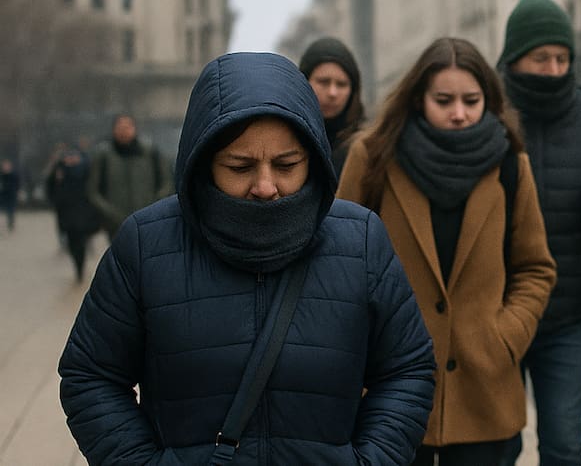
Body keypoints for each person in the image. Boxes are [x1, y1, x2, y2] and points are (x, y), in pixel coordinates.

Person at [59, 52, 436, 464]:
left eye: (287, 164)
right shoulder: (145, 243)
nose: (265, 186)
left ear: (313, 158)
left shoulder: (361, 239)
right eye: (240, 166)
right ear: (203, 162)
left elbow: (407, 369)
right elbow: (91, 375)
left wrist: (370, 460)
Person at [336, 36, 556, 466]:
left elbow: (535, 267)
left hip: (484, 390)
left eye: (471, 100)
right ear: (419, 99)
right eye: (444, 100)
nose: (459, 113)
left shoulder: (510, 163)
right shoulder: (374, 156)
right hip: (390, 390)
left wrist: (505, 336)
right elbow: (340, 261)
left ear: (487, 101)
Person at [495, 0, 581, 466]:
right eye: (540, 58)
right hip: (497, 313)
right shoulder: (487, 111)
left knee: (565, 446)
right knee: (497, 445)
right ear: (515, 59)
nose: (552, 69)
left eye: (562, 58)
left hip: (569, 315)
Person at [86, 113, 173, 242]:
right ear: (113, 130)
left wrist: (154, 206)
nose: (124, 131)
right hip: (116, 225)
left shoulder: (150, 153)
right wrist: (109, 213)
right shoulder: (103, 156)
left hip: (148, 220)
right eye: (120, 127)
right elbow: (92, 191)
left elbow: (167, 182)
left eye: (127, 127)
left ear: (134, 128)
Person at [299, 36, 366, 178]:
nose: (332, 93)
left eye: (341, 84)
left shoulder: (366, 147)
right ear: (304, 83)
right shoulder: (287, 139)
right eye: (323, 82)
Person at [44, 146, 100, 282]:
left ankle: (80, 267)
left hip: (83, 211)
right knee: (71, 241)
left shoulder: (87, 170)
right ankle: (77, 264)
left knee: (80, 240)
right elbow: (49, 187)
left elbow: (95, 188)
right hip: (65, 212)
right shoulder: (59, 170)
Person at [0, 157, 18, 232]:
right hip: (2, 195)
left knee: (10, 211)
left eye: (7, 165)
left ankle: (10, 225)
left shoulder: (14, 175)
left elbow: (16, 185)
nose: (5, 167)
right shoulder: (1, 175)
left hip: (11, 195)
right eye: (4, 165)